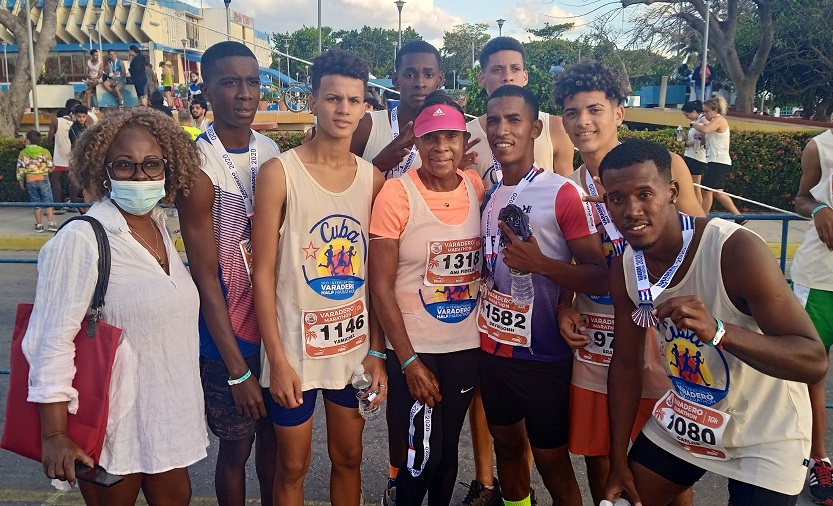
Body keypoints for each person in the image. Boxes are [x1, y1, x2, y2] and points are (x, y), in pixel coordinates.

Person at [600, 139, 827, 506]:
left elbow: (813, 360)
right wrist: (617, 460)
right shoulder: (626, 266)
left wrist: (719, 331)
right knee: (625, 499)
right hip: (690, 417)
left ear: (672, 192)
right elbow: (626, 364)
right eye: (617, 199)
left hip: (766, 431)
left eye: (645, 194)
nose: (632, 210)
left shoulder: (735, 250)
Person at [23, 107, 208, 504]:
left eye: (152, 164)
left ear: (168, 168)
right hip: (112, 427)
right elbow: (50, 340)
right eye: (125, 165)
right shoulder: (82, 238)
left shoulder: (157, 225)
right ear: (103, 171)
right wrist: (54, 434)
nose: (140, 176)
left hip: (167, 416)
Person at [551, 59, 702, 505]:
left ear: (618, 112)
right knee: (601, 453)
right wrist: (564, 305)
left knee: (671, 461)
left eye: (594, 109)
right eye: (572, 112)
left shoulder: (663, 166)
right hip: (598, 338)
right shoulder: (567, 187)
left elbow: (699, 242)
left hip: (662, 335)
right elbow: (567, 259)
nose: (583, 121)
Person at [251, 49, 386, 506]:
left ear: (365, 106)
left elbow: (377, 278)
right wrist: (277, 359)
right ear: (312, 101)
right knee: (292, 466)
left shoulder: (373, 180)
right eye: (332, 98)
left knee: (349, 457)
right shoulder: (279, 174)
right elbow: (262, 274)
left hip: (351, 351)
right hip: (294, 352)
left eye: (353, 100)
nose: (343, 109)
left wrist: (376, 351)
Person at [479, 84, 608, 506]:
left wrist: (543, 265)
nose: (502, 129)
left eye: (513, 119)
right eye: (493, 120)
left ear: (535, 129)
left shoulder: (561, 192)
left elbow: (599, 275)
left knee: (552, 462)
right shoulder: (488, 194)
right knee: (506, 448)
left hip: (544, 356)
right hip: (494, 348)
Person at [177, 41, 280, 506]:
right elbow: (204, 276)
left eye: (253, 81)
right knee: (237, 448)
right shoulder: (199, 165)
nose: (245, 93)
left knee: (276, 440)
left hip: (273, 325)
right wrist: (238, 371)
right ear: (207, 90)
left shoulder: (270, 150)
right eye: (230, 82)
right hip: (228, 338)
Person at [369, 91, 484, 506]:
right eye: (431, 137)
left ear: (464, 140)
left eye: (451, 136)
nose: (441, 147)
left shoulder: (474, 185)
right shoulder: (396, 194)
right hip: (416, 349)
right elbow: (380, 286)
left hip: (465, 346)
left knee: (448, 450)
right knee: (422, 457)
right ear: (416, 142)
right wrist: (409, 362)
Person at [466, 36, 574, 190]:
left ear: (525, 77)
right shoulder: (467, 135)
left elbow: (568, 190)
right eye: (497, 70)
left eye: (515, 69)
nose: (507, 77)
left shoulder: (555, 127)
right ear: (482, 78)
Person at [791, 128, 833, 504]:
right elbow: (802, 198)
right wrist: (818, 209)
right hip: (820, 280)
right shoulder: (820, 146)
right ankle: (819, 458)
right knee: (811, 370)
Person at [351, 40, 444, 179]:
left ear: (440, 79)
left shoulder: (450, 135)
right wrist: (376, 165)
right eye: (410, 75)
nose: (420, 83)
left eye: (428, 75)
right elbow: (338, 182)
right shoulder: (366, 125)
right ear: (396, 80)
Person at [690, 96, 742, 217]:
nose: (704, 114)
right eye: (703, 111)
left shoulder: (719, 119)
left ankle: (701, 218)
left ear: (715, 110)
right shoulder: (714, 122)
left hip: (719, 162)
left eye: (707, 111)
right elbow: (706, 138)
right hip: (714, 160)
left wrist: (694, 124)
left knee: (706, 191)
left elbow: (706, 129)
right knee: (718, 193)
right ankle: (739, 217)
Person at [17, 130, 56, 233]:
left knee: (36, 202)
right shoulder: (45, 151)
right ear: (39, 140)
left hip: (30, 179)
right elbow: (51, 167)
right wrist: (45, 171)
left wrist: (21, 182)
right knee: (48, 200)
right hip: (43, 178)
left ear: (28, 140)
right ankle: (51, 223)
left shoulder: (23, 153)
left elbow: (20, 169)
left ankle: (39, 225)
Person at [680, 101, 707, 206]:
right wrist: (684, 136)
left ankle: (698, 210)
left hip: (697, 157)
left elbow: (703, 140)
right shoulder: (696, 122)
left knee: (696, 187)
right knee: (689, 186)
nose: (687, 117)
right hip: (690, 155)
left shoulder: (702, 121)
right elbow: (694, 138)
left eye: (687, 115)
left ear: (694, 111)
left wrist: (687, 144)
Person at [47, 108, 73, 214]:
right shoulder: (74, 123)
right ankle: (73, 205)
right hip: (72, 157)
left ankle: (58, 206)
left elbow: (49, 138)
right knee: (72, 182)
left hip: (59, 157)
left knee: (56, 180)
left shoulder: (56, 121)